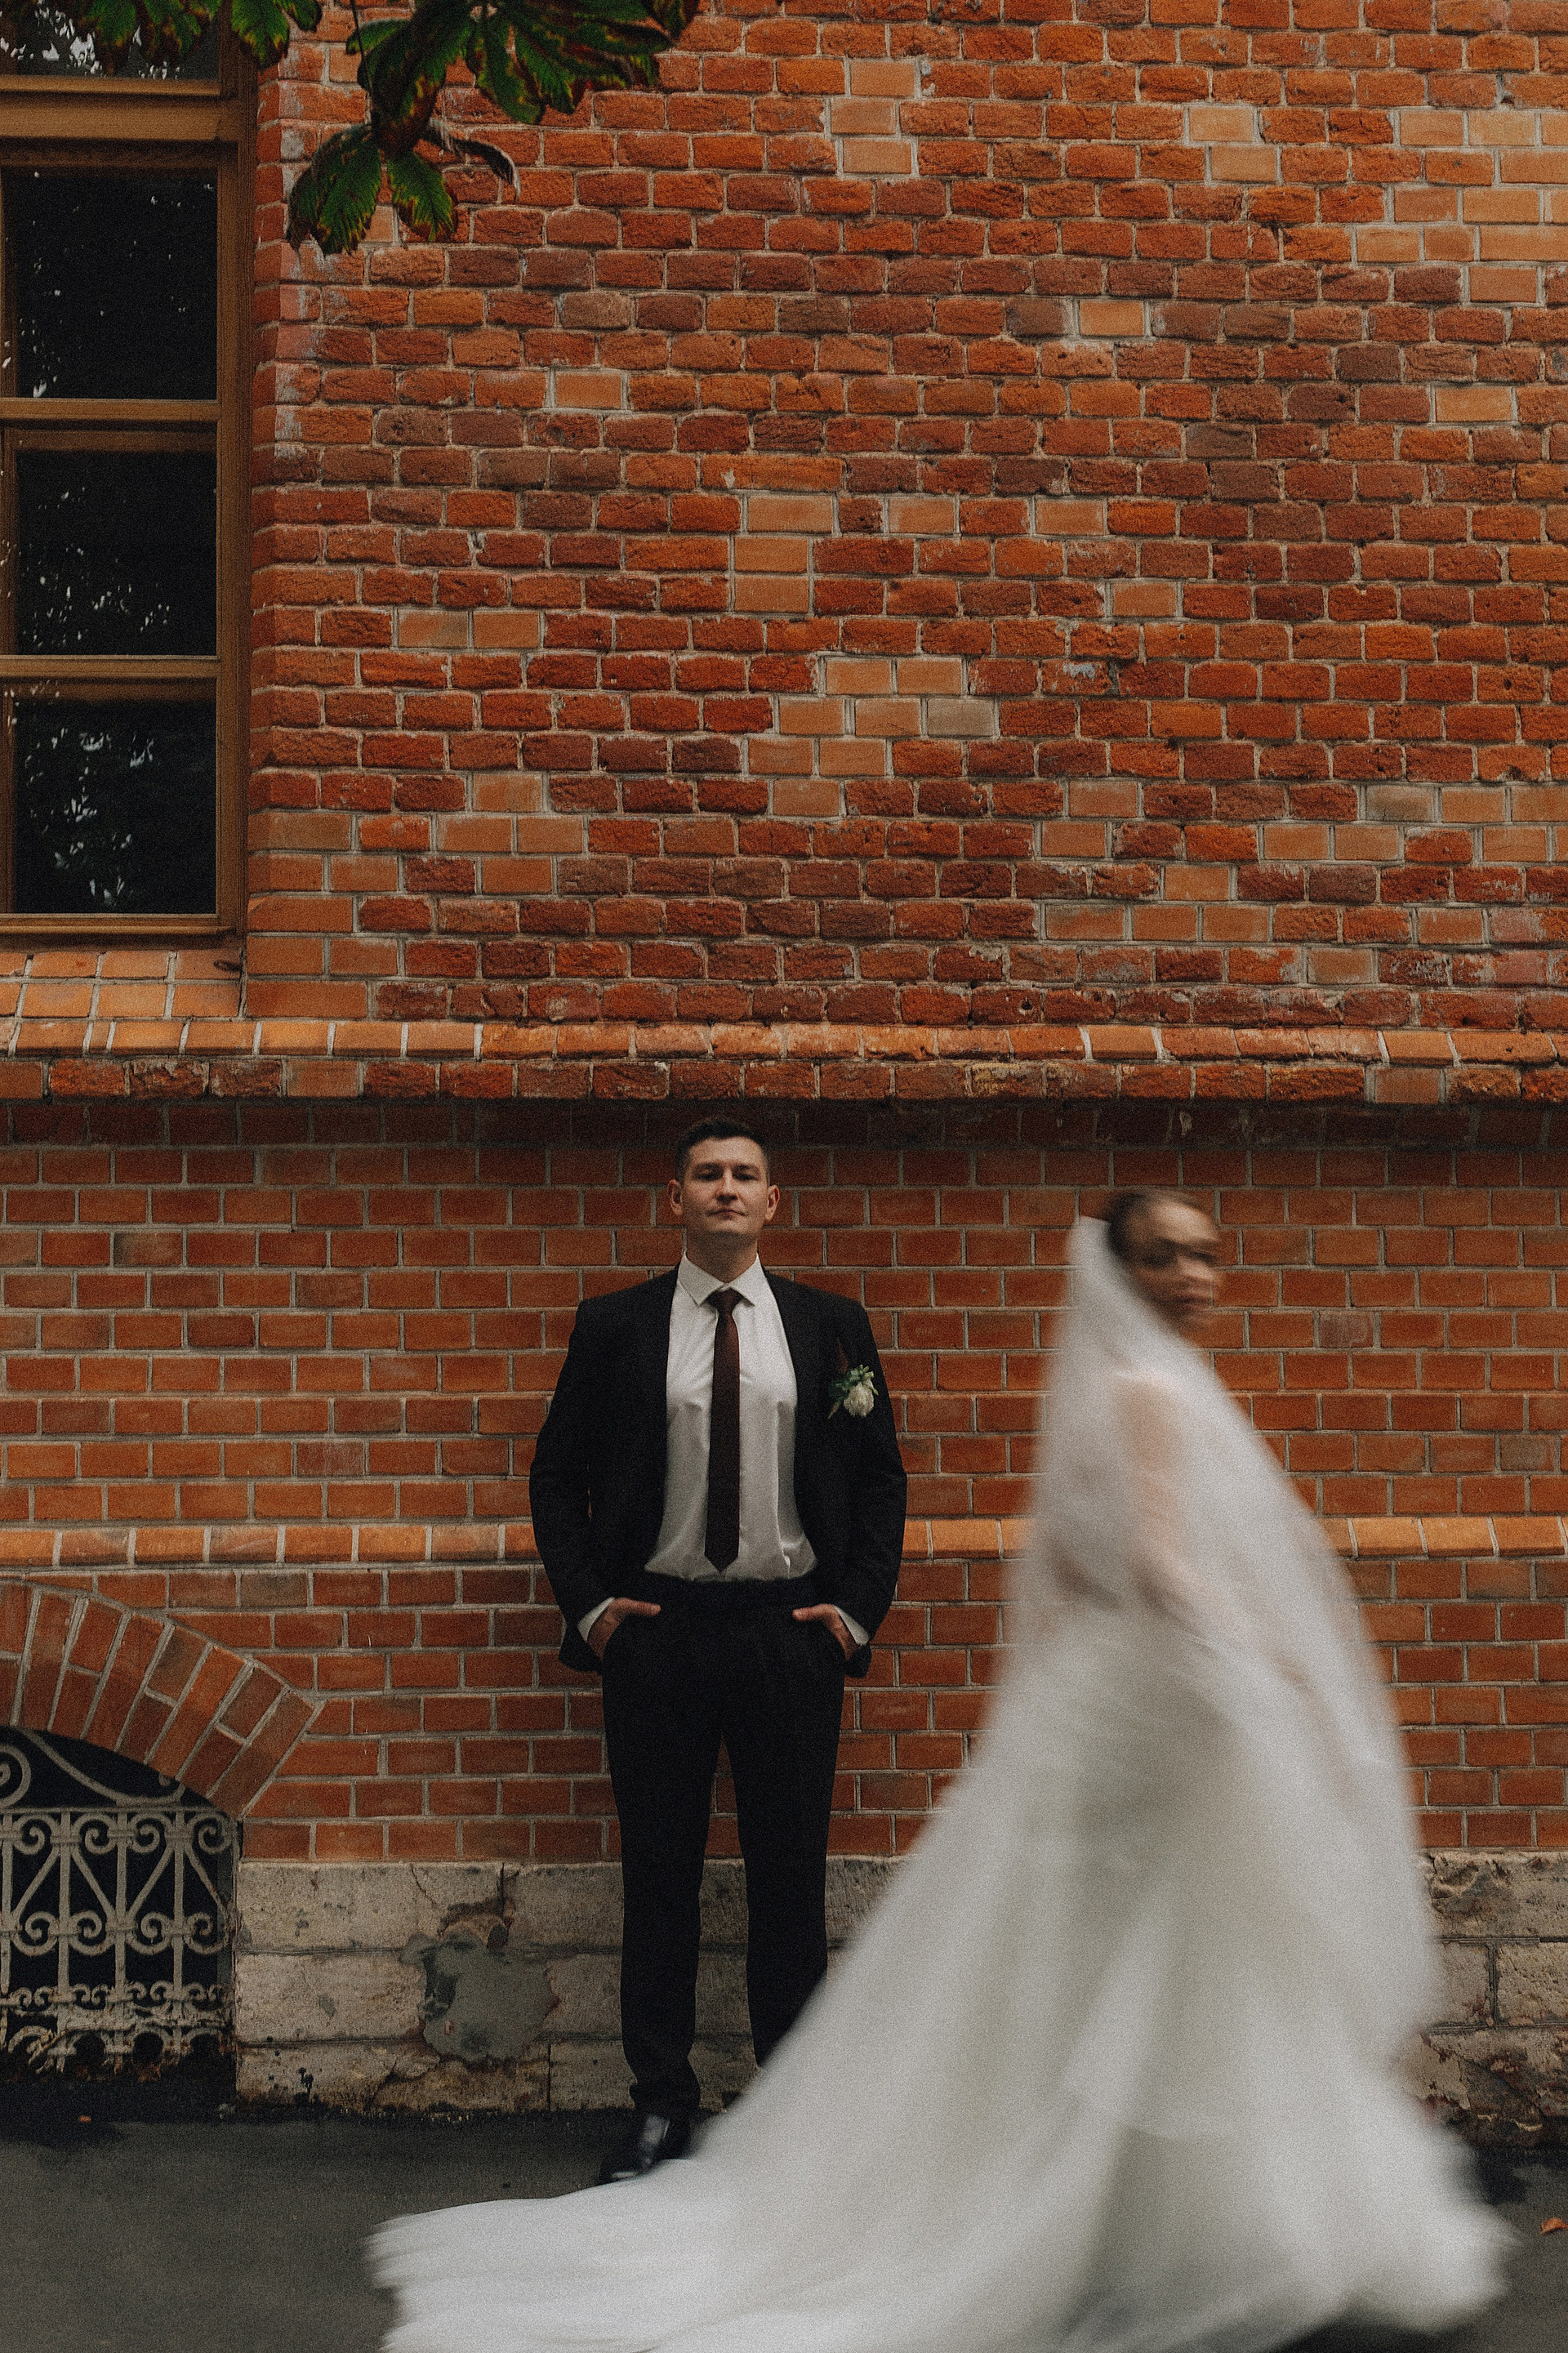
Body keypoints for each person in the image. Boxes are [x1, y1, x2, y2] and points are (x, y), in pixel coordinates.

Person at [376, 1192, 1508, 2353]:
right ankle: (1105, 2221)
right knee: (1145, 1956)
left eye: (1205, 1254)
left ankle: (1095, 2214)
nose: (1191, 1277)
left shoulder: (1078, 1385)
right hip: (1120, 1699)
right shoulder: (1152, 1392)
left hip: (1098, 1701)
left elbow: (1020, 1543)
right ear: (1121, 1272)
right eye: (1163, 1257)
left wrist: (964, 1658)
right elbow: (1159, 1569)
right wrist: (1272, 1663)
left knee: (1092, 1956)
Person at [525, 1119, 906, 2185]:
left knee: (790, 1876)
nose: (726, 1188)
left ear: (773, 1201)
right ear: (676, 1198)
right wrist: (593, 1608)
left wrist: (853, 1612)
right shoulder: (616, 1325)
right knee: (661, 1876)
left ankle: (791, 2103)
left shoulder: (830, 1326)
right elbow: (555, 1474)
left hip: (790, 1633)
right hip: (658, 1633)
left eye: (745, 1175)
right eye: (707, 1174)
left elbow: (880, 1478)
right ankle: (660, 2101)